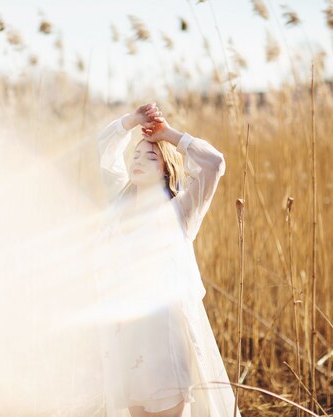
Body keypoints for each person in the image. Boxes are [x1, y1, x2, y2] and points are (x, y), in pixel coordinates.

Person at [93, 102, 242, 417]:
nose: (138, 159)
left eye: (150, 156)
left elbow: (214, 163)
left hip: (165, 338)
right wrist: (132, 121)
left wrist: (170, 135)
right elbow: (105, 150)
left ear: (165, 168)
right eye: (135, 155)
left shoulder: (182, 211)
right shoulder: (119, 206)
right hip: (129, 335)